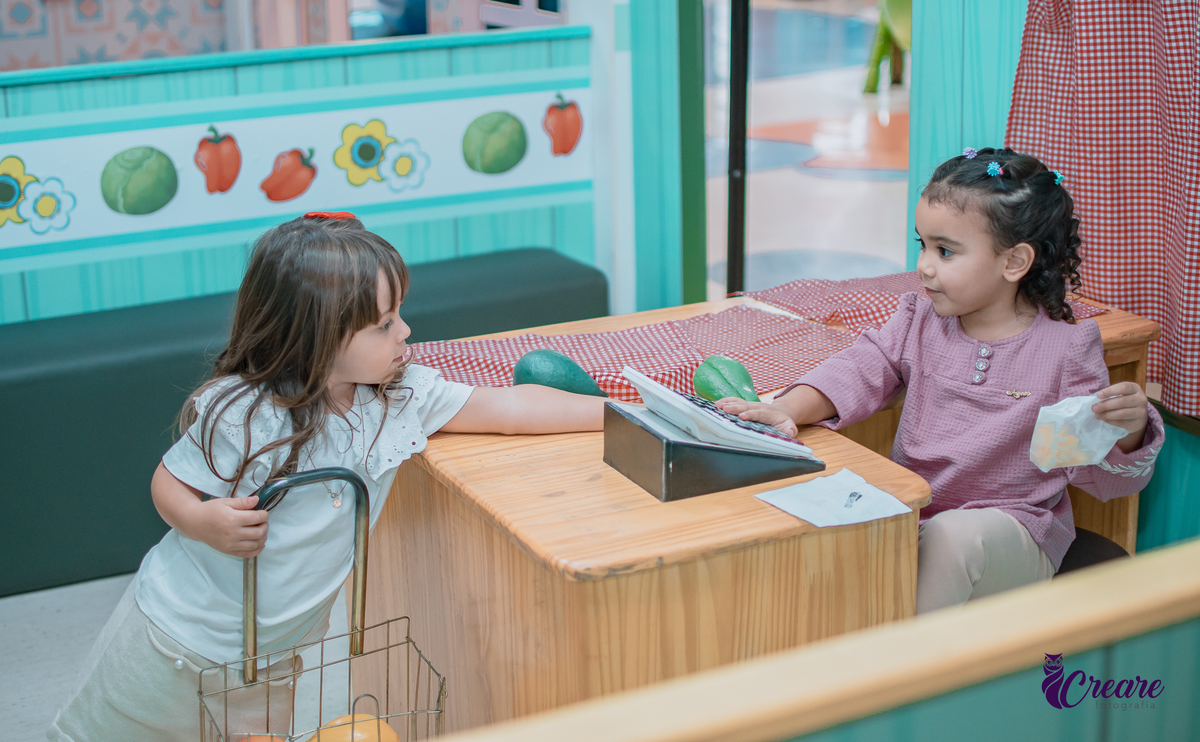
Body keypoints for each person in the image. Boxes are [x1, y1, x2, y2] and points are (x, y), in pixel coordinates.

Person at [49, 212, 609, 741]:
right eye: (384, 324)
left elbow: (510, 408)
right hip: (174, 641)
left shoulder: (397, 396)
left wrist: (623, 415)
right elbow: (168, 482)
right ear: (316, 335)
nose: (405, 331)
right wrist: (201, 520)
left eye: (399, 314)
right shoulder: (247, 412)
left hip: (271, 659)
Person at [717, 148, 1165, 614]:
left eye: (945, 251)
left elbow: (1100, 477)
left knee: (952, 538)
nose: (924, 266)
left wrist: (1127, 429)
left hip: (1014, 535)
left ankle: (912, 661)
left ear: (1014, 262)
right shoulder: (918, 321)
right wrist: (787, 409)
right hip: (912, 520)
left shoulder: (1067, 350)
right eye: (923, 245)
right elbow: (859, 367)